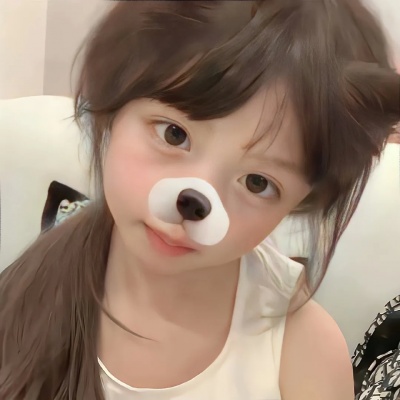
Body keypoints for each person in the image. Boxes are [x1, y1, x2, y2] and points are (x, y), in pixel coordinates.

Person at [0, 1, 399, 399]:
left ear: (301, 200)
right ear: (116, 104)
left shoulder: (303, 350)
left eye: (257, 182)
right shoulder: (30, 292)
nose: (197, 197)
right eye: (173, 134)